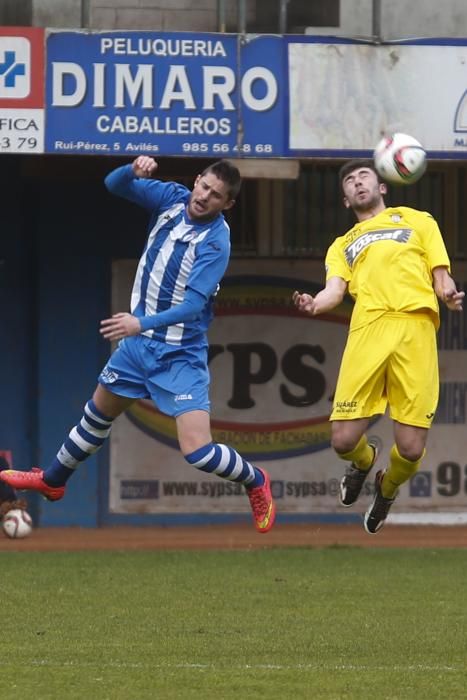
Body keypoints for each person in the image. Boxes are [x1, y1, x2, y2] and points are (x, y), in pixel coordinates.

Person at [0, 156, 276, 534]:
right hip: (138, 347)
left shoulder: (216, 242)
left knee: (197, 451)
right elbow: (113, 185)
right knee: (96, 415)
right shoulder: (171, 199)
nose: (205, 197)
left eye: (216, 196)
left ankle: (255, 480)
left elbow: (193, 305)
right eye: (204, 187)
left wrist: (138, 322)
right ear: (196, 181)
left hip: (179, 354)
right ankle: (53, 479)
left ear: (227, 205)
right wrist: (132, 170)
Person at [293, 159, 464, 534]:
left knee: (411, 448)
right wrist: (314, 304)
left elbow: (441, 275)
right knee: (342, 440)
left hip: (415, 330)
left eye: (364, 176)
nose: (357, 183)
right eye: (350, 181)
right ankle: (364, 461)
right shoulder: (342, 245)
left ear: (383, 186)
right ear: (344, 200)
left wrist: (447, 293)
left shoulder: (419, 221)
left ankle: (386, 490)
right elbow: (334, 291)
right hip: (368, 331)